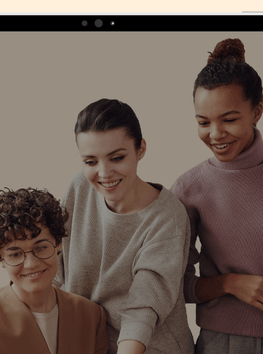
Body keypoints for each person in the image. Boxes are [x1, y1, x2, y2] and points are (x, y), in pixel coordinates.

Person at [54, 98, 195, 354]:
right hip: (88, 345)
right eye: (90, 162)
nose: (104, 173)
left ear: (140, 149)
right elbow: (56, 271)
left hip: (149, 347)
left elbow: (144, 306)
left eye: (116, 157)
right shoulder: (79, 189)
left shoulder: (166, 218)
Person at [170, 38, 263, 354]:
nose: (215, 134)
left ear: (257, 110)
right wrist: (229, 283)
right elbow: (173, 286)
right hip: (224, 344)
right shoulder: (189, 188)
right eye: (203, 122)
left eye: (228, 119)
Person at [0, 188, 109, 354]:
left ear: (59, 243)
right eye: (15, 254)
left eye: (41, 247)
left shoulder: (91, 316)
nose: (31, 264)